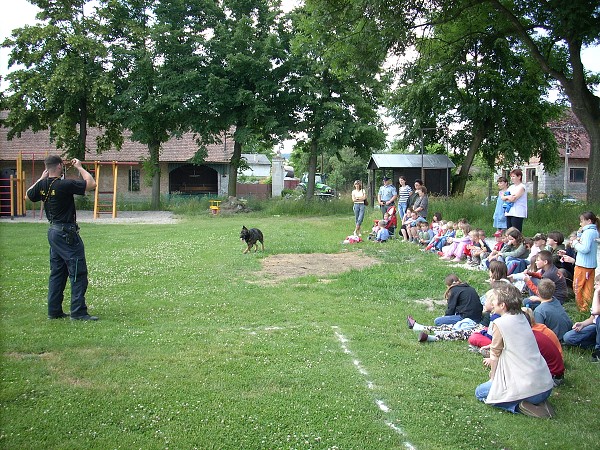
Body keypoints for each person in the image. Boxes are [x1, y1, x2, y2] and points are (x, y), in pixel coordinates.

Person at [25, 156, 99, 321]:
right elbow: (92, 184)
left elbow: (28, 196)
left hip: (53, 232)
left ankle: (54, 310)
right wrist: (80, 167)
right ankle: (78, 312)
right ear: (59, 166)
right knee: (78, 272)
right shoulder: (64, 184)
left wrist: (40, 178)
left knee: (57, 273)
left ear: (46, 168)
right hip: (67, 233)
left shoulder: (42, 185)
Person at [474, 283, 555, 418]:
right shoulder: (522, 317)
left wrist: (493, 378)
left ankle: (520, 406)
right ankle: (539, 402)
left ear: (502, 305)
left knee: (480, 392)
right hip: (546, 385)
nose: (492, 303)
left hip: (531, 389)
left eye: (494, 300)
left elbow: (494, 356)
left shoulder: (499, 324)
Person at [407, 274, 482, 327]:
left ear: (448, 285)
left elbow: (451, 309)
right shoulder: (469, 288)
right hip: (478, 317)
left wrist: (446, 317)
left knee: (438, 321)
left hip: (467, 318)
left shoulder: (454, 290)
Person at [561, 211, 599, 312]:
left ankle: (581, 308)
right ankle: (589, 307)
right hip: (591, 265)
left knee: (578, 287)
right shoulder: (594, 231)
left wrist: (574, 243)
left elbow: (585, 249)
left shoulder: (588, 233)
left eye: (582, 221)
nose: (580, 223)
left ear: (589, 221)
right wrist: (578, 235)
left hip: (583, 265)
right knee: (589, 288)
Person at [562, 275, 600, 362]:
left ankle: (598, 351)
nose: (594, 287)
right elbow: (593, 317)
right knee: (569, 337)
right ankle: (595, 344)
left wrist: (596, 293)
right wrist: (583, 324)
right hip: (595, 328)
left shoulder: (597, 295)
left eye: (597, 285)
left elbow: (596, 311)